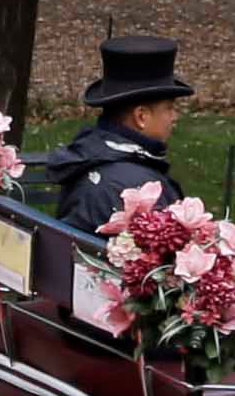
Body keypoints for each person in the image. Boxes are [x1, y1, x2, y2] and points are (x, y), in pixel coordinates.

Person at [39, 35, 194, 245]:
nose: (174, 117)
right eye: (169, 108)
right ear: (141, 116)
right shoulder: (137, 186)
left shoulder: (90, 153)